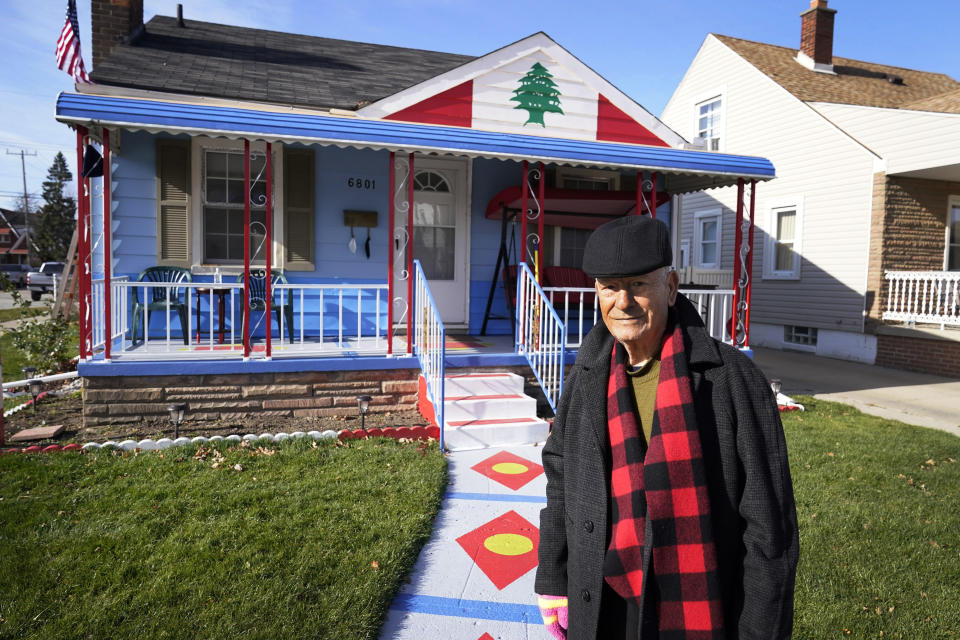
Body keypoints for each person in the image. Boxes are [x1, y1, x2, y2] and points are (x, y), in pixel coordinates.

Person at [535, 215, 798, 639]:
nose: (623, 302)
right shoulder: (587, 375)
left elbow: (771, 529)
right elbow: (561, 473)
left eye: (639, 284)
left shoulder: (733, 380)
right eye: (609, 287)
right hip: (604, 597)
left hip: (696, 599)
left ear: (671, 286)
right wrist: (552, 578)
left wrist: (761, 629)